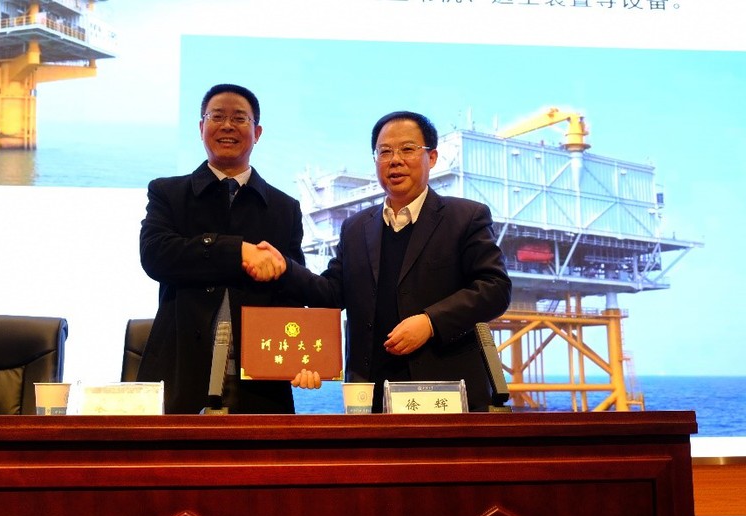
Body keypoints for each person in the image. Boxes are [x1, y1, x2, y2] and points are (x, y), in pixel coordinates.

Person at [249, 111, 512, 412]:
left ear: (432, 157)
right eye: (385, 152)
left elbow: (495, 287)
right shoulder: (355, 228)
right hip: (369, 396)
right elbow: (332, 294)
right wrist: (286, 267)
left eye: (408, 149)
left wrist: (430, 322)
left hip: (444, 394)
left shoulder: (466, 217)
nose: (395, 160)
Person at [137, 83, 306, 414]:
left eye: (239, 118)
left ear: (257, 132)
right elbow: (156, 255)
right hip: (182, 367)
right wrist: (238, 251)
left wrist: (299, 357)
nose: (228, 126)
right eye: (217, 117)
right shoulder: (167, 193)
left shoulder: (284, 207)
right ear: (201, 127)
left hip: (261, 381)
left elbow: (291, 293)